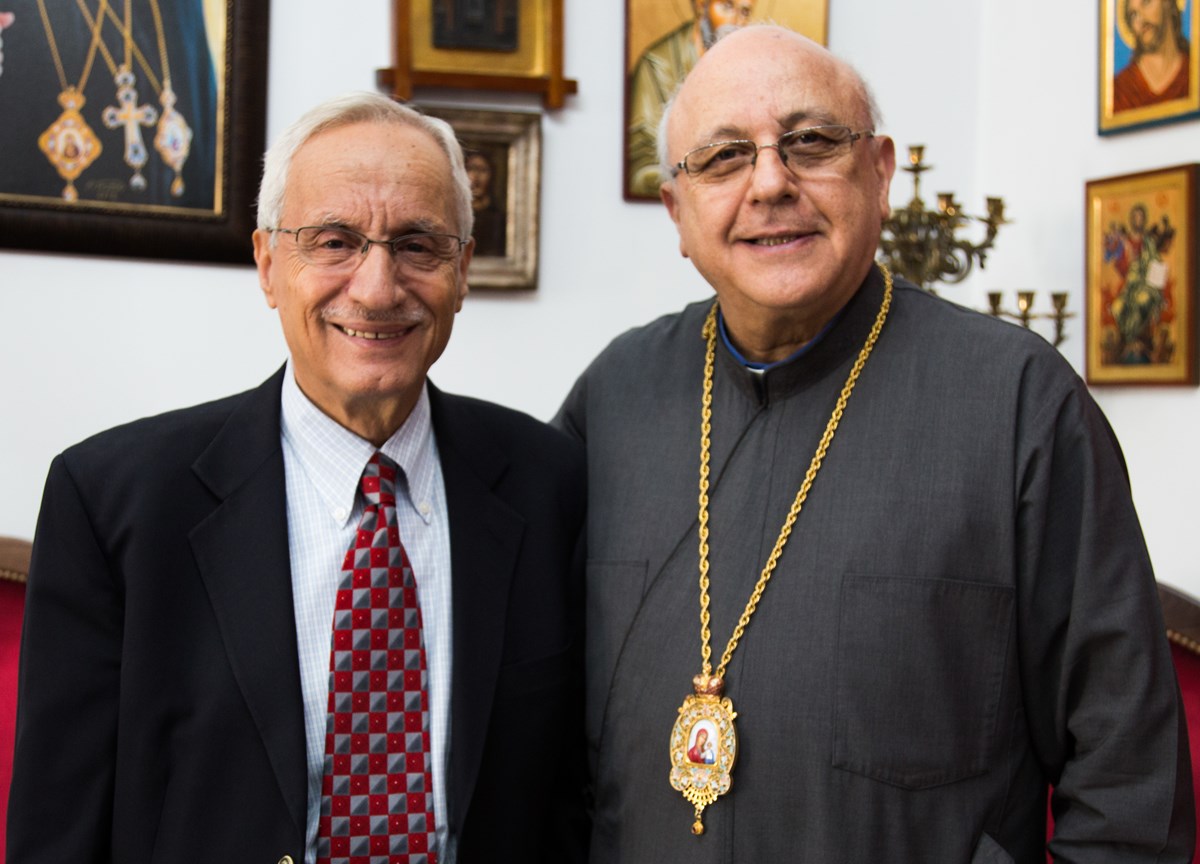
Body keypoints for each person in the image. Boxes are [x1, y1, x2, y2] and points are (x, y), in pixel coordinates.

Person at [557, 24, 1194, 862]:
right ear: (677, 212)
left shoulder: (1018, 402)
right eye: (722, 159)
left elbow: (1129, 790)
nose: (771, 183)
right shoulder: (613, 398)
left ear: (881, 173)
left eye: (812, 142)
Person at [8, 91, 588, 864]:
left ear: (462, 270)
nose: (378, 288)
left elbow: (574, 800)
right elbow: (59, 831)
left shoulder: (551, 485)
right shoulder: (113, 503)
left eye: (418, 244)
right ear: (268, 262)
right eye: (335, 241)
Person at [626, 0, 754, 197]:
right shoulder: (657, 65)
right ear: (701, 5)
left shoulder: (753, 69)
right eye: (727, 7)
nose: (735, 21)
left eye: (744, 11)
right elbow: (640, 159)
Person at [1113, 0, 1192, 111]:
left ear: (1168, 3)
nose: (1141, 19)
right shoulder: (1120, 91)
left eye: (1146, 2)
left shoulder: (1193, 72)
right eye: (1133, 14)